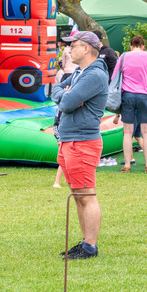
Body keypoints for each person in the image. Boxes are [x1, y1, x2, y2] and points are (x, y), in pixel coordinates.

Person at [51, 30, 110, 260]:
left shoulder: (94, 75)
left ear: (86, 48)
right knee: (77, 194)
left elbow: (66, 103)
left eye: (72, 45)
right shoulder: (79, 72)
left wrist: (66, 96)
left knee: (86, 195)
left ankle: (90, 247)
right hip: (70, 140)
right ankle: (85, 241)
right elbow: (57, 88)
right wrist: (64, 94)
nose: (68, 49)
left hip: (82, 141)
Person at [114, 34, 147, 172]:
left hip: (128, 95)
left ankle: (127, 164)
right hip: (144, 95)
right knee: (146, 132)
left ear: (131, 46)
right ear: (143, 46)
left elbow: (115, 76)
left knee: (127, 132)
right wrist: (145, 78)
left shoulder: (124, 56)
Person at [52, 42, 77, 189]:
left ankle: (66, 180)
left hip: (67, 128)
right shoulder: (63, 102)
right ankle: (57, 181)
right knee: (63, 155)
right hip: (60, 128)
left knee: (66, 156)